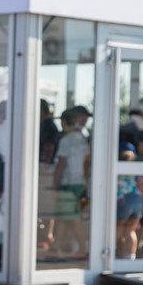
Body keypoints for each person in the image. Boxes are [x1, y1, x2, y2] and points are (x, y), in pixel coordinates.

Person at [53, 108, 90, 259]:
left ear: (64, 123)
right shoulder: (82, 139)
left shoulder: (66, 140)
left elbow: (61, 163)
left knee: (74, 217)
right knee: (65, 216)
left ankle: (82, 248)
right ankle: (56, 245)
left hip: (69, 183)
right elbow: (87, 163)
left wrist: (55, 182)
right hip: (80, 182)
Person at [116, 143, 143, 260]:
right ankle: (130, 256)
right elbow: (140, 185)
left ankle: (114, 253)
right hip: (137, 200)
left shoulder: (117, 167)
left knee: (118, 229)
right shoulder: (136, 169)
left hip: (123, 200)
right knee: (130, 230)